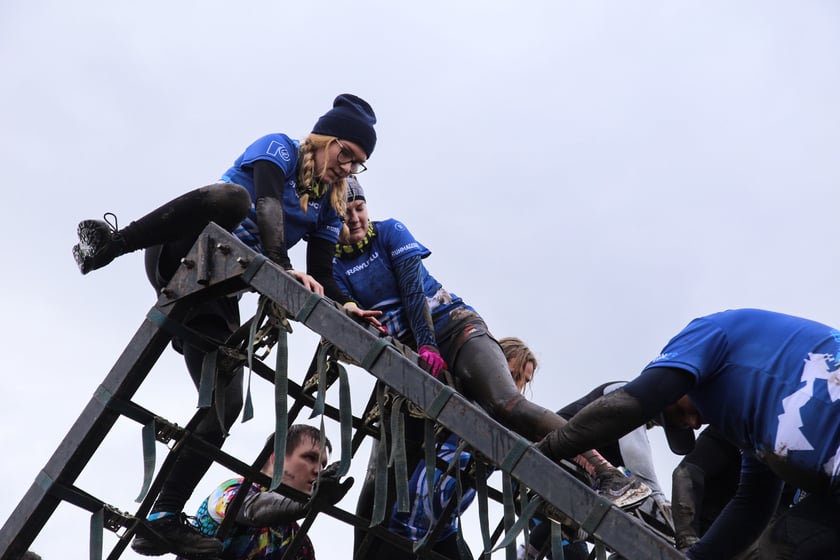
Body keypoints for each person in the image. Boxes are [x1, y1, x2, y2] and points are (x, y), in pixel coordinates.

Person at [71, 94, 378, 558]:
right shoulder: (281, 148)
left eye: (359, 164)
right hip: (187, 254)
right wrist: (278, 265)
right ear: (324, 140)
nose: (348, 168)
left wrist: (346, 306)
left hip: (219, 292)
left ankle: (160, 519)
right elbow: (269, 202)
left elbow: (324, 274)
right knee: (233, 198)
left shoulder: (327, 207)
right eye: (346, 154)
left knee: (224, 405)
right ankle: (114, 243)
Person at [334, 178, 649, 508]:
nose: (355, 218)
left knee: (506, 404)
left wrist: (427, 343)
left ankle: (608, 475)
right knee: (404, 456)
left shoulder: (390, 232)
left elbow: (413, 292)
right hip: (414, 356)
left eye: (360, 208)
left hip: (453, 328)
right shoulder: (337, 267)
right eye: (345, 213)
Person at [537, 308, 840, 560]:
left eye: (679, 413)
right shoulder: (753, 427)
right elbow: (754, 505)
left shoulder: (708, 333)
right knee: (786, 543)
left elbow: (632, 402)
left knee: (784, 546)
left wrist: (546, 449)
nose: (694, 424)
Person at [183, 425, 352, 560]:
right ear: (276, 458)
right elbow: (252, 511)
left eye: (323, 465)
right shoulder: (233, 489)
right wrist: (308, 503)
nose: (319, 471)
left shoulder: (298, 541)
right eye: (310, 458)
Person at [671, 426, 799, 559]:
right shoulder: (748, 423)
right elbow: (687, 473)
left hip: (752, 539)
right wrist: (686, 539)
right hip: (701, 529)